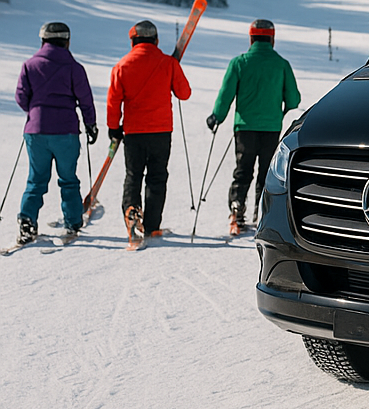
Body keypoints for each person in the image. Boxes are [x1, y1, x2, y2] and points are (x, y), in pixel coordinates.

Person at [207, 19, 301, 236]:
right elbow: (294, 99)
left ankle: (236, 211)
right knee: (266, 171)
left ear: (251, 38)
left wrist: (217, 117)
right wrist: (281, 111)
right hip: (271, 127)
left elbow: (226, 95)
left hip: (245, 128)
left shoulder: (239, 63)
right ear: (272, 39)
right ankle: (263, 213)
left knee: (243, 170)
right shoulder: (282, 64)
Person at [107, 20, 191, 246]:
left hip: (133, 132)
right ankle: (152, 226)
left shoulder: (122, 65)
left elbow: (113, 102)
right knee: (157, 177)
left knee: (133, 176)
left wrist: (114, 128)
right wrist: (174, 69)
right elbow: (184, 93)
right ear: (156, 40)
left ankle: (132, 212)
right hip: (161, 131)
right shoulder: (168, 63)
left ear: (132, 40)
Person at [14, 22, 98, 244]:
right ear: (67, 41)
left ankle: (27, 221)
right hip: (66, 131)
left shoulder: (29, 65)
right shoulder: (74, 68)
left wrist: (36, 112)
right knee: (68, 178)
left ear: (42, 41)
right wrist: (91, 124)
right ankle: (72, 221)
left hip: (36, 131)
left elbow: (21, 97)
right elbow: (86, 100)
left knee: (36, 179)